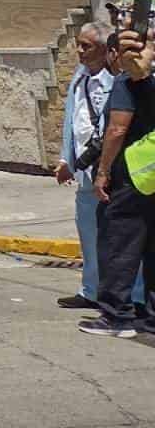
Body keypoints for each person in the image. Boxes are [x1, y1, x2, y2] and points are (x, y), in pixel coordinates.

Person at [79, 26, 155, 337]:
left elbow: (116, 130)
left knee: (117, 243)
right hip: (151, 176)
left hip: (130, 176)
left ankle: (116, 315)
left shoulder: (125, 82)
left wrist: (103, 172)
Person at [55, 22, 117, 311]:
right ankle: (90, 290)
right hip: (84, 172)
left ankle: (135, 297)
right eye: (78, 44)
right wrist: (66, 159)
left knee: (124, 237)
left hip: (112, 172)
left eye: (86, 46)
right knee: (89, 234)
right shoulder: (79, 78)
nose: (79, 51)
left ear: (105, 50)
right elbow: (71, 120)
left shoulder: (116, 81)